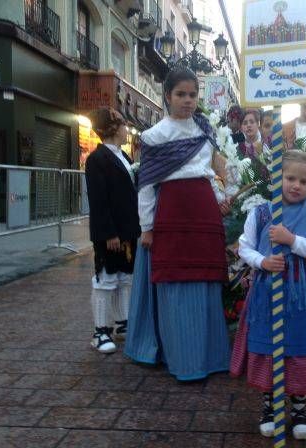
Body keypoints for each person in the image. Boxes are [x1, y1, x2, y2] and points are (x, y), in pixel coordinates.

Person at [124, 68, 231, 381]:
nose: (187, 100)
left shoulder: (205, 129)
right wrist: (146, 227)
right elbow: (146, 186)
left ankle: (211, 357)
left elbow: (212, 171)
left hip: (204, 213)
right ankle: (183, 358)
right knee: (175, 280)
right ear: (168, 96)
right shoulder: (154, 135)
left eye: (193, 94)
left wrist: (221, 196)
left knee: (206, 280)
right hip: (171, 214)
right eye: (181, 94)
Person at [230, 150, 306, 441]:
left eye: (303, 181)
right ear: (277, 177)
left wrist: (291, 240)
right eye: (290, 178)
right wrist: (262, 261)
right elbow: (244, 247)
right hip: (267, 294)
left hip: (301, 298)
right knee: (269, 347)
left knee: (298, 348)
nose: (296, 185)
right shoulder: (262, 212)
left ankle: (300, 408)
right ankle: (269, 406)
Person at [84, 108, 141, 354]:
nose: (126, 128)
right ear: (112, 127)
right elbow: (99, 200)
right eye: (122, 124)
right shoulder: (97, 159)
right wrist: (109, 234)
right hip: (111, 232)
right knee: (105, 279)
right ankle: (100, 331)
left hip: (128, 230)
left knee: (125, 279)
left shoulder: (124, 156)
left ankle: (122, 323)